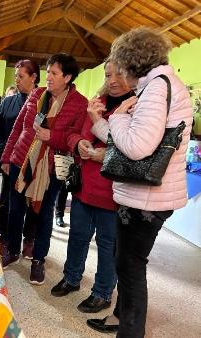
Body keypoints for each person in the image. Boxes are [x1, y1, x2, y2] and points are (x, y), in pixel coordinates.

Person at [85, 28, 193, 337]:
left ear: (131, 63)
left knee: (130, 269)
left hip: (146, 199)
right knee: (129, 265)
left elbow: (135, 147)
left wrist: (116, 116)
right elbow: (126, 144)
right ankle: (125, 324)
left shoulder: (157, 88)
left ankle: (129, 332)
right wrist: (101, 123)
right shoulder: (162, 85)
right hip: (147, 196)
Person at [50, 60, 134, 314]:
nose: (112, 80)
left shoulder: (136, 108)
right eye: (108, 75)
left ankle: (102, 293)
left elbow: (131, 147)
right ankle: (72, 277)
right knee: (77, 235)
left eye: (119, 74)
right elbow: (73, 133)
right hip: (84, 185)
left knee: (108, 245)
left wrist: (101, 154)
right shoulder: (96, 102)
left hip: (113, 193)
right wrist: (79, 144)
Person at [0, 53, 88, 285]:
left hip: (51, 167)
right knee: (15, 209)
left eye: (54, 73)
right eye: (47, 71)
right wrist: (7, 157)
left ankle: (38, 259)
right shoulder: (37, 95)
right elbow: (19, 127)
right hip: (22, 160)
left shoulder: (79, 103)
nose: (47, 77)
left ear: (67, 77)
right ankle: (12, 249)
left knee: (43, 214)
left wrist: (53, 136)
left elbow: (74, 137)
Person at [0, 60, 41, 258]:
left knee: (32, 203)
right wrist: (4, 153)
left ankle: (29, 238)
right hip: (10, 162)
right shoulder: (8, 102)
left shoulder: (44, 101)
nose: (17, 80)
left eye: (21, 77)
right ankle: (6, 239)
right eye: (16, 77)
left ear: (33, 77)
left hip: (34, 162)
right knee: (7, 202)